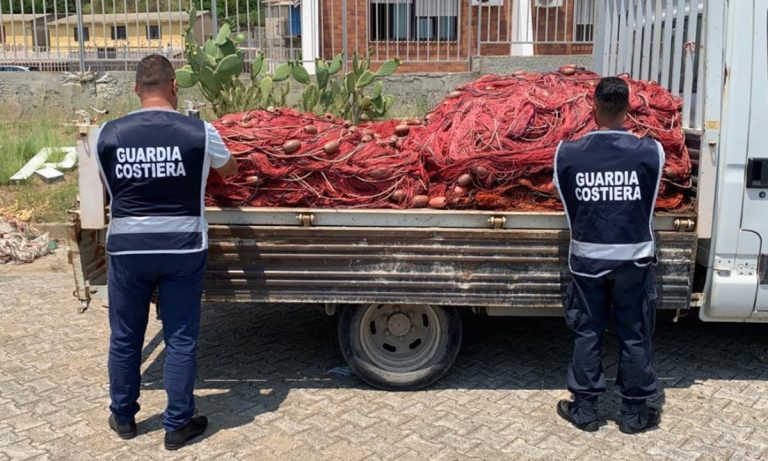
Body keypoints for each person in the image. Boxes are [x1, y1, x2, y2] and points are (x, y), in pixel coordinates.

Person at [96, 54, 238, 450]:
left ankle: (123, 417)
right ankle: (177, 425)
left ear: (135, 89)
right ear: (175, 87)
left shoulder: (107, 134)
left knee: (125, 337)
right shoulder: (199, 131)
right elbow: (230, 170)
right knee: (180, 336)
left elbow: (102, 189)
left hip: (127, 251)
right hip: (183, 249)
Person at [553, 77, 663, 434]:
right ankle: (633, 415)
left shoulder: (567, 153)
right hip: (635, 262)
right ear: (628, 107)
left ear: (593, 106)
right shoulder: (650, 152)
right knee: (634, 333)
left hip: (587, 263)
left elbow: (564, 197)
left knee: (588, 331)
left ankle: (585, 411)